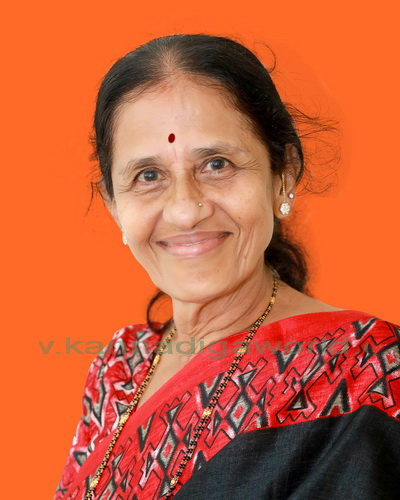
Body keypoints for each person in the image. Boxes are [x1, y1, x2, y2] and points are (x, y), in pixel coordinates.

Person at [55, 34, 400, 500]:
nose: (185, 211)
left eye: (216, 164)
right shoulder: (119, 370)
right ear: (114, 205)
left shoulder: (363, 369)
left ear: (283, 175)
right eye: (149, 176)